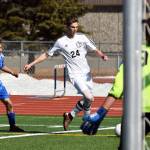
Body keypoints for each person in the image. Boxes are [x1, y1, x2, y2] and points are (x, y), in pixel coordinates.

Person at [23, 15, 108, 131]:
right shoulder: (61, 42)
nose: (75, 29)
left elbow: (94, 49)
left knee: (88, 99)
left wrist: (102, 55)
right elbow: (47, 55)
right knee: (89, 97)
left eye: (76, 27)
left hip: (86, 74)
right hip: (74, 75)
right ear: (67, 27)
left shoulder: (82, 38)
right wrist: (31, 64)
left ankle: (70, 115)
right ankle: (87, 119)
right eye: (72, 27)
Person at [80, 18, 150, 149]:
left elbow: (118, 87)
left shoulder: (136, 53)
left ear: (145, 32)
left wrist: (100, 114)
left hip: (137, 112)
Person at [0, 42, 24, 132]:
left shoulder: (1, 56)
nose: (1, 49)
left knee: (9, 103)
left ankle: (12, 126)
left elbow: (2, 66)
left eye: (1, 47)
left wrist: (12, 72)